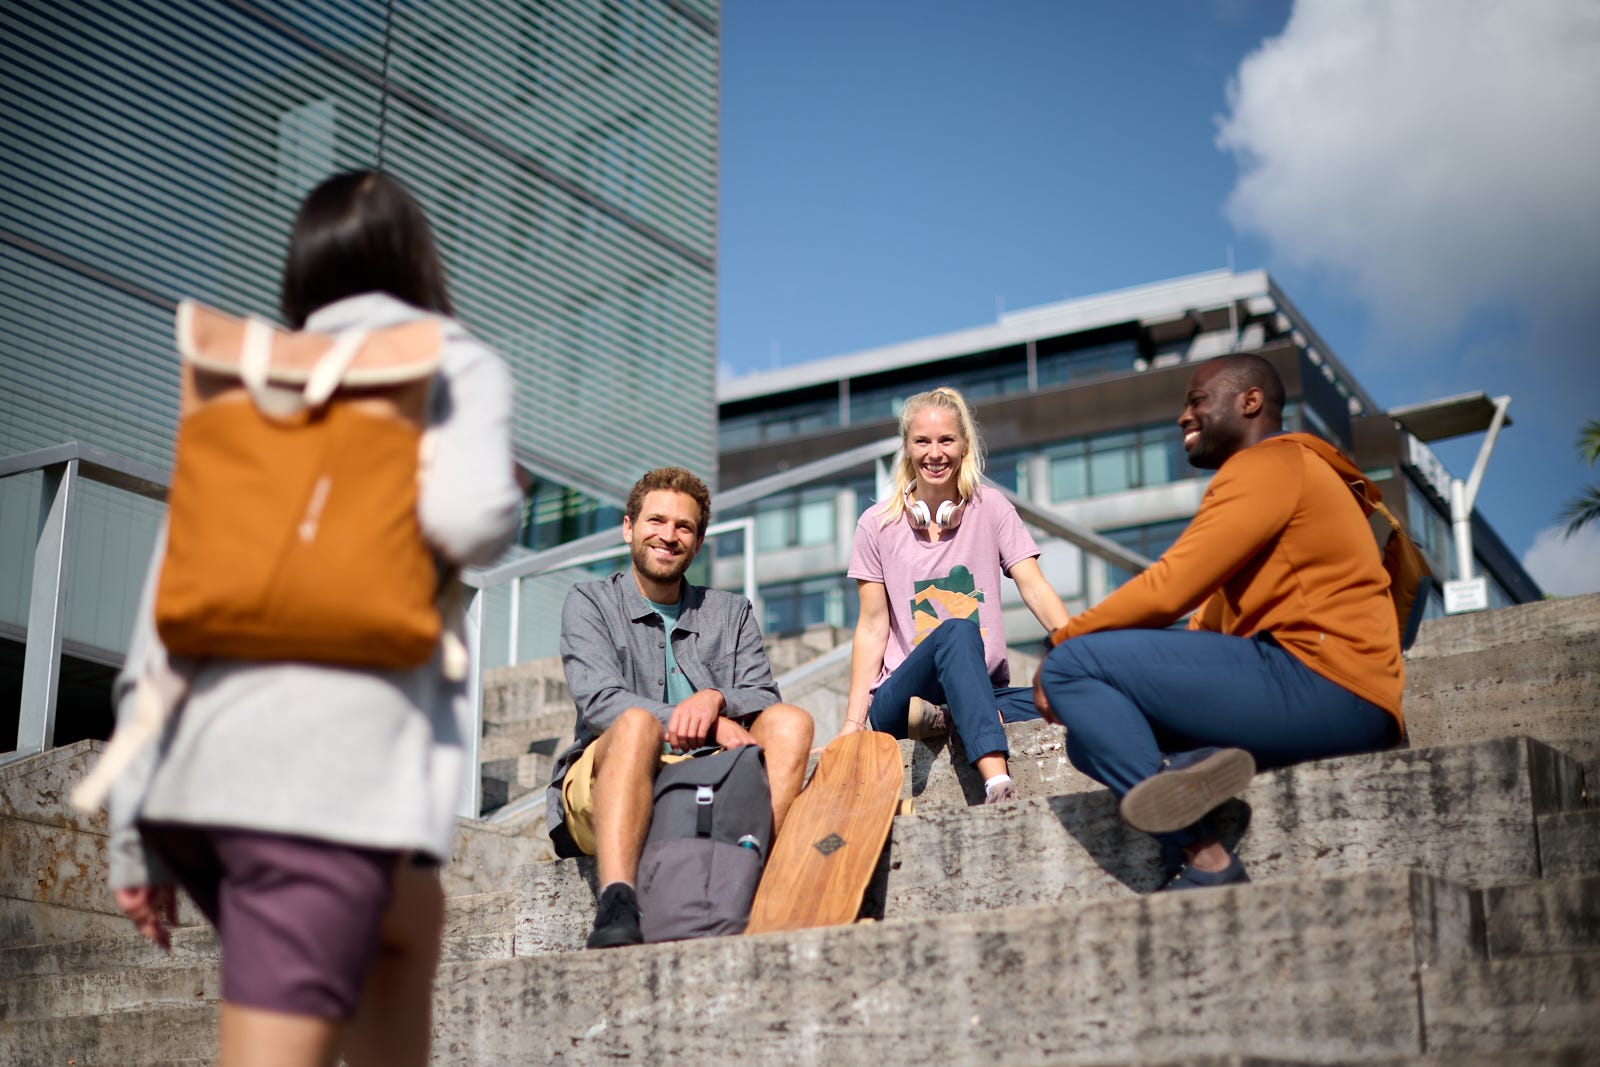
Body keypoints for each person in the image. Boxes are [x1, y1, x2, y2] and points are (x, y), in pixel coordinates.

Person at [107, 170, 521, 1066]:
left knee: (408, 923)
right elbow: (469, 519)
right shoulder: (451, 359)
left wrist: (132, 829)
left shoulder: (246, 378)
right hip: (323, 781)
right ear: (417, 257)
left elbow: (161, 621)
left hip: (213, 774)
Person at [1034, 353, 1403, 890]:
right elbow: (1203, 634)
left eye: (1197, 401)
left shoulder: (1271, 464)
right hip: (1326, 699)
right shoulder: (1279, 480)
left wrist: (1060, 645)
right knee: (1088, 738)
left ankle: (1201, 851)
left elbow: (1170, 588)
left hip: (1327, 685)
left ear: (1250, 401)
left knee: (1072, 667)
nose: (1184, 417)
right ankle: (1197, 810)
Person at [549, 466, 815, 948]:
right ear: (628, 527)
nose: (667, 536)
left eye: (683, 527)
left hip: (705, 781)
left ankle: (755, 875)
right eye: (656, 521)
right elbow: (599, 702)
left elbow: (762, 695)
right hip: (612, 775)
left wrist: (717, 699)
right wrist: (705, 725)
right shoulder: (589, 601)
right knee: (635, 723)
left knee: (791, 722)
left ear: (698, 541)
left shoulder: (730, 612)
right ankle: (618, 900)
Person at [842, 386, 1070, 804]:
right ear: (907, 448)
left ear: (964, 444)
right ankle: (997, 782)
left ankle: (954, 716)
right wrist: (854, 723)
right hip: (901, 697)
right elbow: (873, 627)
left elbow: (1034, 586)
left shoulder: (993, 508)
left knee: (1074, 695)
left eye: (946, 440)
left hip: (983, 689)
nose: (935, 453)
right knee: (958, 631)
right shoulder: (876, 524)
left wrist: (1083, 652)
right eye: (922, 441)